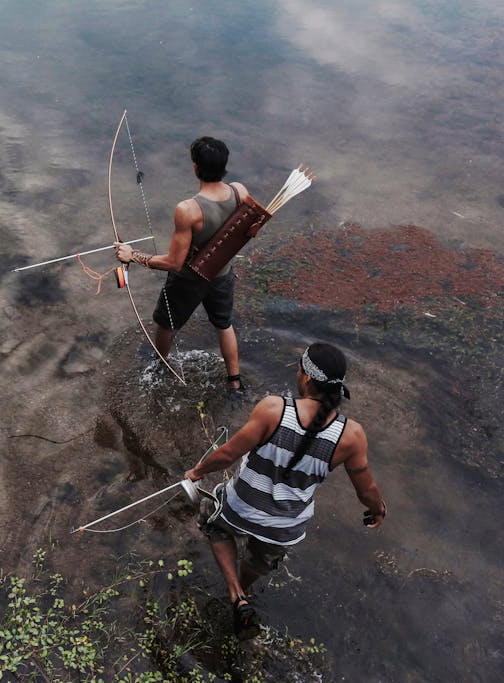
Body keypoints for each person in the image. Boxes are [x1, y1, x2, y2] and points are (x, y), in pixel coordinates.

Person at [183, 342, 386, 639]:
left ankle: (236, 595)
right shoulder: (351, 435)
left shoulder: (274, 409)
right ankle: (246, 588)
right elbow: (365, 488)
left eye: (299, 368)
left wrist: (196, 472)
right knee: (259, 560)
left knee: (212, 521)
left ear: (306, 378)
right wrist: (378, 509)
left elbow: (228, 454)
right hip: (285, 526)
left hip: (241, 506)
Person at [114, 136, 248, 390]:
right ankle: (235, 381)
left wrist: (133, 256)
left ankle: (161, 368)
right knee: (224, 324)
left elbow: (174, 263)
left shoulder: (188, 210)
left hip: (189, 280)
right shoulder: (240, 192)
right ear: (224, 166)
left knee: (165, 323)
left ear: (195, 167)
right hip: (222, 274)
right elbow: (248, 229)